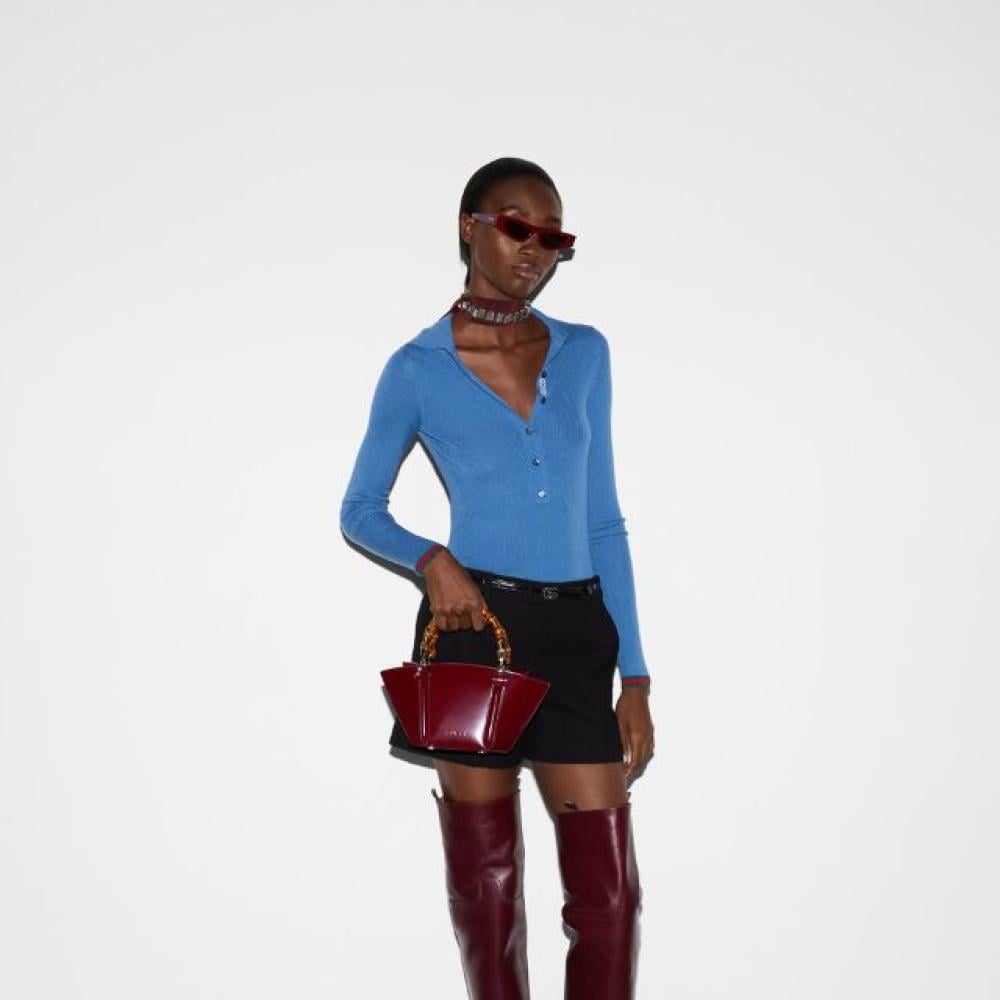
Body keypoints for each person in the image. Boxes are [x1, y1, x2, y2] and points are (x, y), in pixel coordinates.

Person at [339, 156, 655, 1000]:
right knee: (488, 892)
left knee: (610, 900)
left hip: (579, 634)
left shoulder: (584, 353)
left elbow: (603, 522)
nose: (534, 250)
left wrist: (634, 675)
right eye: (517, 227)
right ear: (469, 227)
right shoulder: (418, 367)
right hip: (476, 633)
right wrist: (432, 561)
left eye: (553, 237)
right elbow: (360, 509)